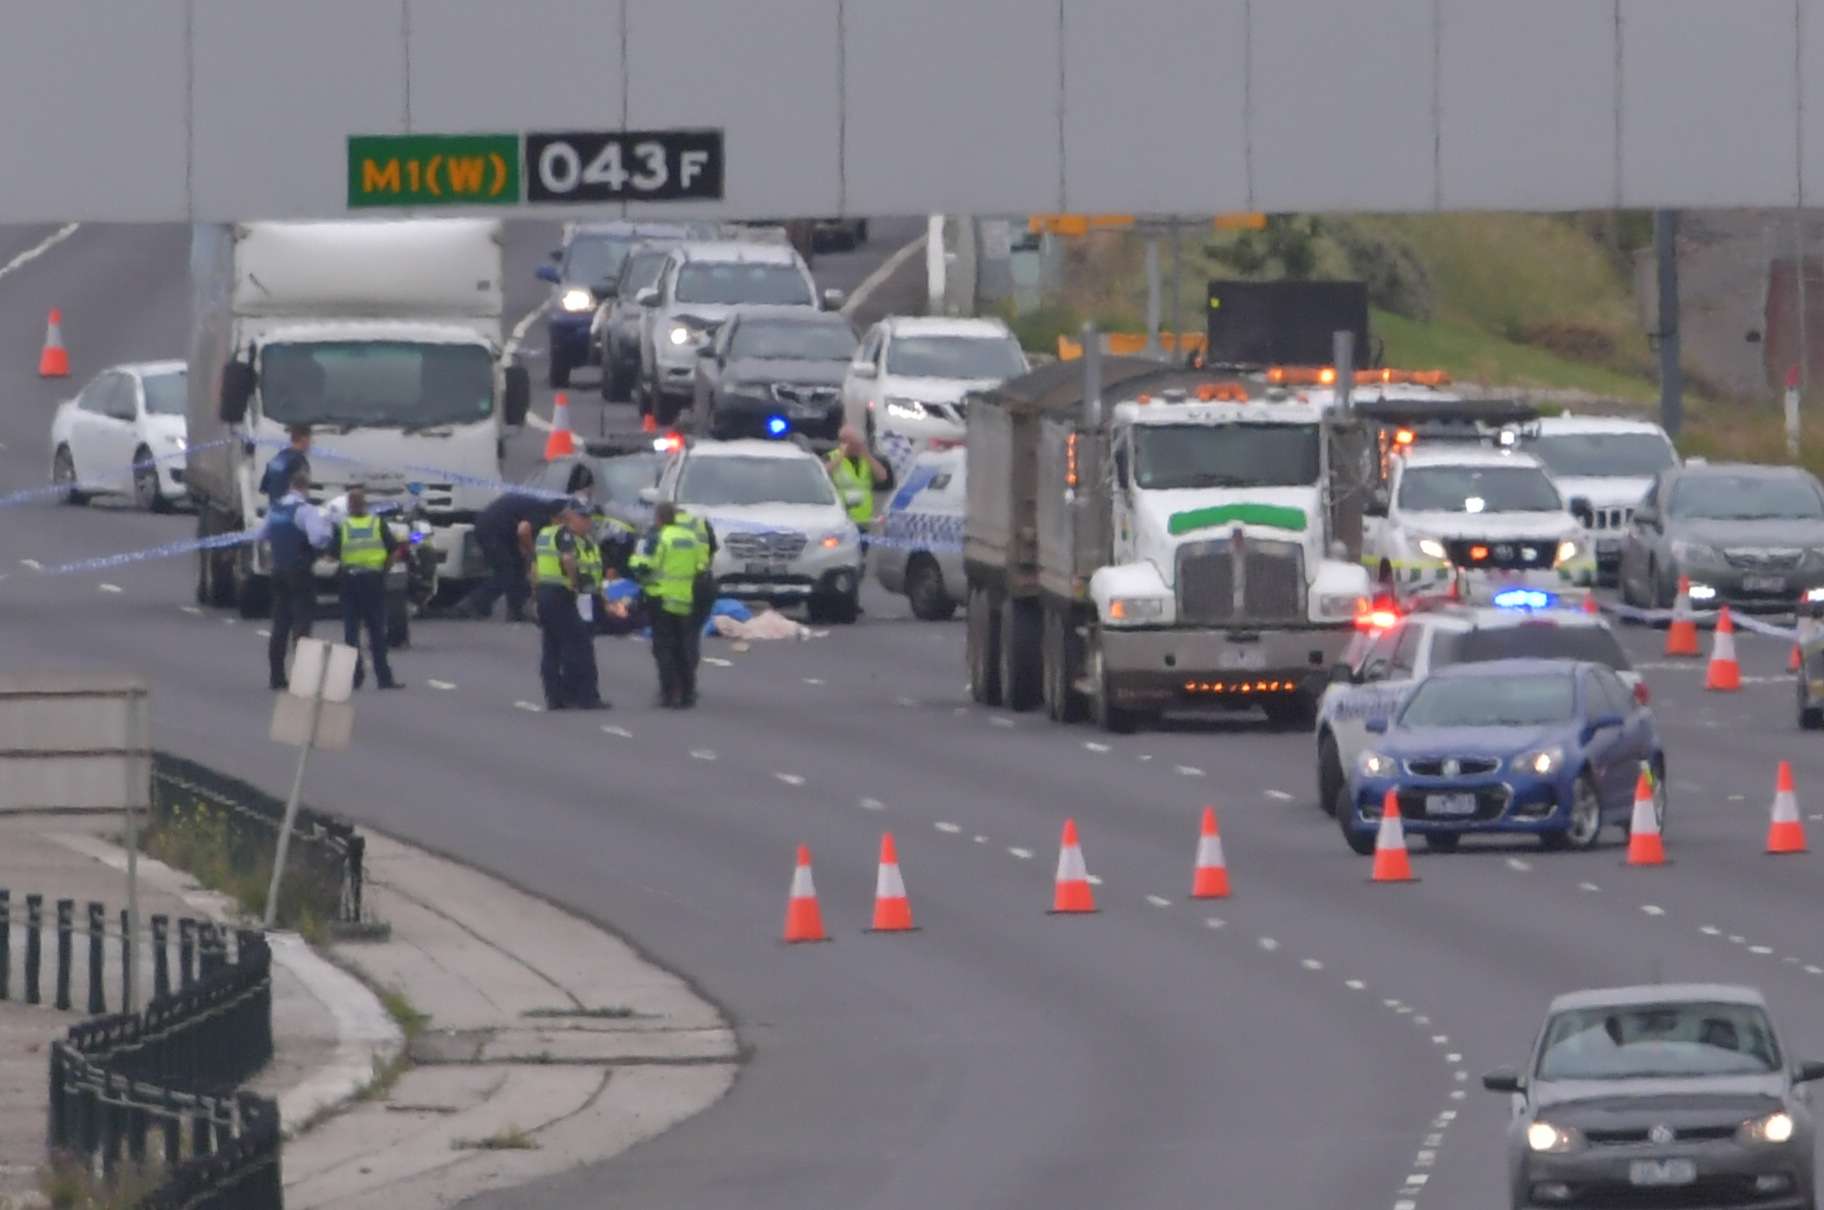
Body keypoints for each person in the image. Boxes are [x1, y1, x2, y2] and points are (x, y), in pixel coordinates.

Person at [463, 463, 595, 621]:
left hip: (500, 526)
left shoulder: (552, 508)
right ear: (568, 516)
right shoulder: (547, 514)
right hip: (492, 528)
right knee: (507, 571)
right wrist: (533, 554)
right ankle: (475, 605)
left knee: (517, 567)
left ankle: (515, 610)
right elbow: (523, 530)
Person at [630, 502, 710, 708]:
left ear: (659, 518)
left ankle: (669, 693)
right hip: (684, 599)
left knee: (664, 647)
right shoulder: (690, 538)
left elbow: (649, 564)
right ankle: (688, 693)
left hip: (662, 597)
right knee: (683, 647)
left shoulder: (660, 537)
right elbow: (700, 565)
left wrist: (634, 562)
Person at [531, 503, 609, 710]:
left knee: (552, 647)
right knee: (579, 645)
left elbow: (535, 566)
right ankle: (586, 697)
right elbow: (567, 559)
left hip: (546, 593)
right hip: (562, 594)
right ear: (567, 517)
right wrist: (575, 582)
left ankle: (555, 697)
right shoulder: (564, 535)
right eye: (582, 518)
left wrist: (535, 596)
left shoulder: (544, 535)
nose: (587, 522)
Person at [329, 483, 406, 690]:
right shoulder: (377, 523)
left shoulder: (343, 527)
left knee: (351, 632)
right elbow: (394, 550)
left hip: (350, 581)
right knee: (376, 631)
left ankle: (355, 677)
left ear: (349, 506)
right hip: (373, 581)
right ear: (365, 505)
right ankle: (384, 678)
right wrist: (383, 570)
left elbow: (331, 554)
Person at [262, 468, 332, 690]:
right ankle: (302, 677)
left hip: (279, 569)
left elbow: (261, 534)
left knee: (280, 624)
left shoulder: (275, 509)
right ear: (305, 488)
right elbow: (318, 539)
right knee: (302, 624)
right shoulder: (305, 511)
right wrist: (328, 532)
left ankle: (276, 676)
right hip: (300, 571)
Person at [260, 425, 313, 505]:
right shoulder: (300, 461)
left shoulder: (278, 457)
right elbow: (303, 490)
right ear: (304, 440)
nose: (311, 443)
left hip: (274, 509)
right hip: (291, 510)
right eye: (310, 439)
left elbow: (264, 488)